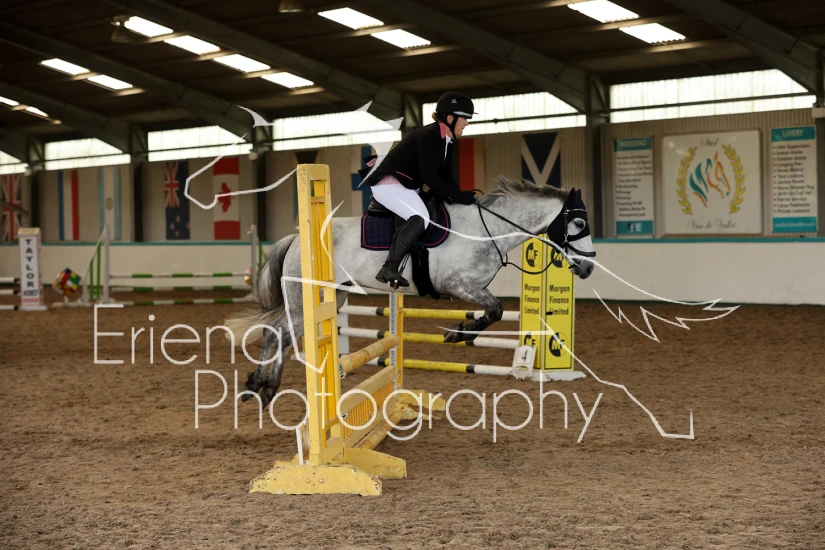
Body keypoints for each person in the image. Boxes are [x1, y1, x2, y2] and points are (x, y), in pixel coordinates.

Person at [362, 91, 478, 288]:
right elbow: (430, 177)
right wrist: (457, 196)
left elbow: (447, 176)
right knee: (421, 217)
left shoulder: (447, 141)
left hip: (405, 185)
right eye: (464, 118)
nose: (467, 123)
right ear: (450, 118)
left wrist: (459, 196)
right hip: (388, 183)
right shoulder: (429, 136)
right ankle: (390, 267)